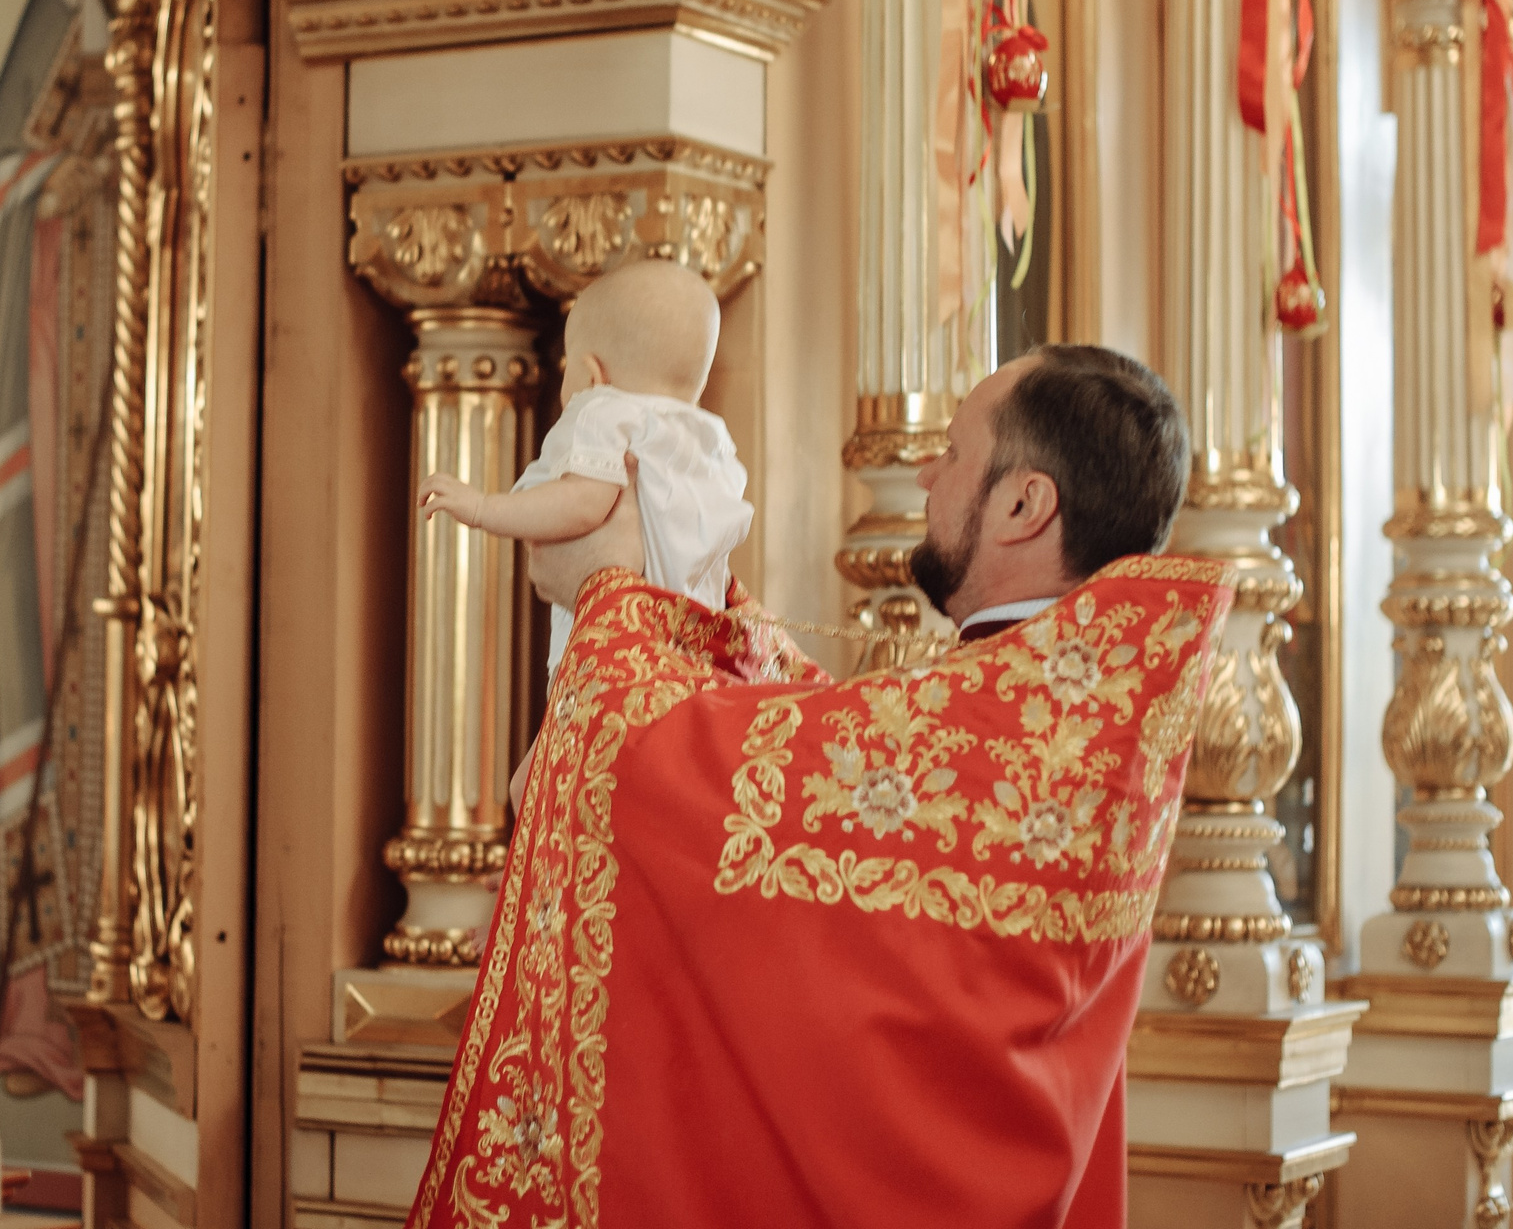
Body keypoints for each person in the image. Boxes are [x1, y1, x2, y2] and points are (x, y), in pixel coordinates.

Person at [410, 344, 1220, 1229]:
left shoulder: (1022, 720)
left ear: (1024, 504)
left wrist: (612, 603)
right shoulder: (1063, 709)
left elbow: (723, 780)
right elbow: (831, 753)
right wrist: (708, 604)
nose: (925, 471)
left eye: (952, 453)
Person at [418, 259, 752, 681]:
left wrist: (484, 508)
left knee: (564, 738)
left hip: (614, 644)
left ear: (593, 374)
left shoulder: (605, 410)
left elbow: (583, 503)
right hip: (690, 652)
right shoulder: (710, 438)